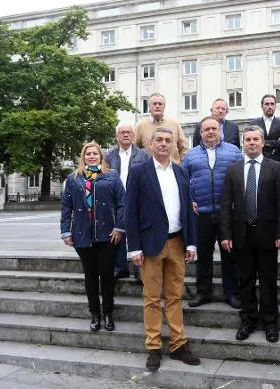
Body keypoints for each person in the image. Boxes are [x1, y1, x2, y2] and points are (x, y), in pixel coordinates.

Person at [124, 127, 200, 372]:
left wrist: (191, 242)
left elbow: (188, 209)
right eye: (159, 140)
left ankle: (179, 345)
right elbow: (130, 212)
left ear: (174, 145)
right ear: (150, 144)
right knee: (152, 298)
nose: (164, 144)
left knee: (175, 296)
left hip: (177, 243)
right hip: (150, 246)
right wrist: (133, 247)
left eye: (169, 140)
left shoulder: (180, 171)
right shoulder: (138, 173)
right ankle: (154, 346)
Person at [220, 125, 280, 343]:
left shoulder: (275, 168)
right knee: (245, 280)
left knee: (268, 280)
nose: (251, 143)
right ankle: (248, 320)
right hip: (242, 233)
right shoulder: (233, 169)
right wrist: (226, 234)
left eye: (255, 139)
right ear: (243, 143)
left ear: (262, 142)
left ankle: (270, 322)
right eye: (247, 139)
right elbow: (225, 205)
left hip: (267, 234)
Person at [60, 142, 125, 332]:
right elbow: (66, 207)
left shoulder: (111, 176)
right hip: (82, 235)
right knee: (90, 276)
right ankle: (94, 313)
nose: (91, 156)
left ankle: (108, 313)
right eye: (88, 154)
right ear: (83, 157)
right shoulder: (73, 179)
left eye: (95, 153)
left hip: (107, 235)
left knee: (106, 275)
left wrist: (119, 227)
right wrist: (65, 231)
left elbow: (122, 203)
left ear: (100, 156)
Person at [182, 117, 243, 308]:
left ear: (220, 131)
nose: (210, 132)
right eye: (206, 129)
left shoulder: (233, 152)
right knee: (204, 256)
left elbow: (241, 179)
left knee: (230, 255)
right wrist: (189, 200)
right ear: (201, 133)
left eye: (214, 129)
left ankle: (232, 293)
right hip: (202, 213)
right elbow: (183, 182)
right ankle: (203, 292)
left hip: (227, 214)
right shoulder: (191, 155)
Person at [105, 122, 149, 281]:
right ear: (117, 136)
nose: (125, 135)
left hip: (137, 197)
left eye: (128, 132)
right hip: (116, 199)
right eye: (122, 132)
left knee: (138, 233)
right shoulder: (108, 155)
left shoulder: (143, 155)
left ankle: (139, 271)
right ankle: (120, 267)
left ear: (133, 135)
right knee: (117, 234)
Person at [134, 92, 188, 164]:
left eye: (160, 104)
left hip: (173, 169)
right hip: (149, 171)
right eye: (154, 103)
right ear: (149, 107)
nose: (157, 106)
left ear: (164, 107)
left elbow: (184, 148)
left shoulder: (174, 124)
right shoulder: (140, 126)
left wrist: (182, 166)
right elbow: (134, 149)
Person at [248, 94, 280, 165]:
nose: (269, 106)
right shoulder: (253, 124)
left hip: (277, 164)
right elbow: (251, 143)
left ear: (275, 106)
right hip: (258, 163)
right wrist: (276, 142)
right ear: (262, 106)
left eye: (272, 104)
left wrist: (262, 142)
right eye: (266, 104)